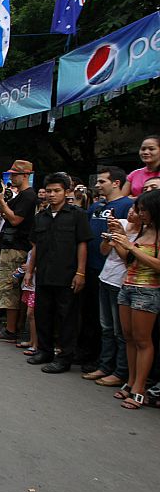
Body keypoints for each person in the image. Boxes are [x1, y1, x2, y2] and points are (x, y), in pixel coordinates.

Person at [24, 173, 92, 373]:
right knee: (43, 313)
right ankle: (44, 351)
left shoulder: (77, 215)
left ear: (66, 192)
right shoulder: (40, 217)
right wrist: (30, 271)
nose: (52, 195)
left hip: (67, 275)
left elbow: (82, 244)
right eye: (50, 191)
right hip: (44, 273)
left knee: (67, 317)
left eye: (57, 191)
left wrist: (80, 272)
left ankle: (64, 357)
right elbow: (35, 246)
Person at [108, 189, 160, 408]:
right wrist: (119, 242)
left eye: (145, 210)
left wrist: (130, 247)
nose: (141, 214)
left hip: (147, 290)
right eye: (140, 209)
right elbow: (130, 262)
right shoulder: (143, 231)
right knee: (128, 337)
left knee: (142, 340)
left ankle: (139, 388)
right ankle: (130, 382)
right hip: (127, 286)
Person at [80, 168, 133, 372]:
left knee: (115, 325)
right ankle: (93, 356)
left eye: (102, 181)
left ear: (116, 183)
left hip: (116, 272)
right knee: (94, 317)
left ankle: (113, 366)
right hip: (94, 268)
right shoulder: (95, 206)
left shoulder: (126, 206)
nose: (98, 185)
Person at [87, 205, 139, 388]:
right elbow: (104, 251)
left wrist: (121, 240)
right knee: (106, 328)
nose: (132, 212)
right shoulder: (121, 223)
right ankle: (105, 366)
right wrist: (108, 238)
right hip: (106, 278)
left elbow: (129, 260)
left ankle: (120, 372)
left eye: (138, 210)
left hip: (122, 283)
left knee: (121, 332)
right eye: (132, 208)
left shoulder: (144, 234)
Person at [0, 161, 38, 342]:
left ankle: (11, 330)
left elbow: (15, 219)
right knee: (7, 289)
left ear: (25, 175)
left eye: (15, 174)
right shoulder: (19, 196)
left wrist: (1, 200)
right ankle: (12, 327)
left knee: (10, 289)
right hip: (10, 246)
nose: (12, 177)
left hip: (18, 248)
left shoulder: (29, 196)